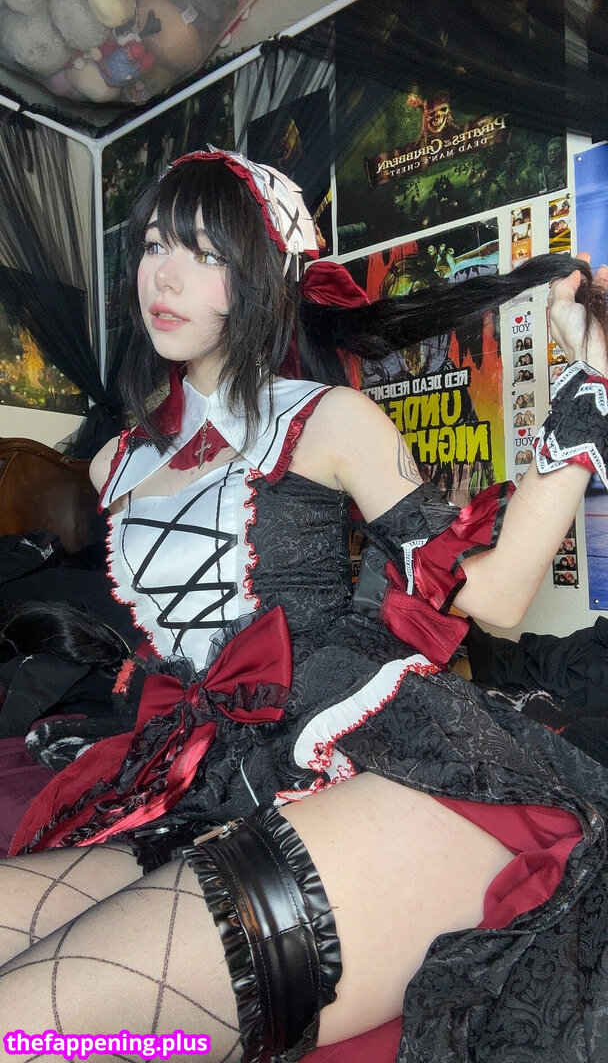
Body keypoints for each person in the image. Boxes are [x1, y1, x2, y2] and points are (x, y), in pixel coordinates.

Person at [1, 149, 608, 1063]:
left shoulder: (329, 419)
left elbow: (497, 598)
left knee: (23, 1025)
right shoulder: (112, 464)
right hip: (201, 776)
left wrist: (588, 386)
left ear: (260, 277)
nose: (164, 274)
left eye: (206, 252)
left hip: (356, 751)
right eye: (155, 244)